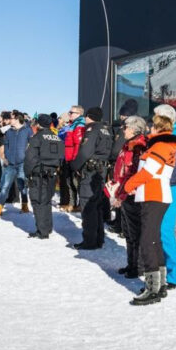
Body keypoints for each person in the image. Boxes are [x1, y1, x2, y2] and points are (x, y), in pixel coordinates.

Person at [123, 111, 176, 306]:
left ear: (158, 128)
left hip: (154, 196)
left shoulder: (161, 146)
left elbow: (148, 172)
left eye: (152, 126)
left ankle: (152, 288)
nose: (149, 128)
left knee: (147, 241)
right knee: (153, 240)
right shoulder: (161, 145)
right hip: (153, 195)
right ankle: (159, 284)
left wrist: (128, 185)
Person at [108, 115, 148, 279]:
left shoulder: (138, 147)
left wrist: (122, 194)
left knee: (135, 232)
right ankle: (131, 264)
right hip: (124, 192)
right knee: (128, 232)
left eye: (125, 127)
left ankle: (138, 267)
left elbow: (133, 173)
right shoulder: (129, 144)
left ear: (133, 129)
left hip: (131, 194)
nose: (123, 130)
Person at [71, 106, 112, 249]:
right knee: (97, 205)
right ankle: (98, 238)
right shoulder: (106, 130)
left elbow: (85, 152)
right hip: (101, 170)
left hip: (91, 171)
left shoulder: (92, 130)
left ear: (89, 116)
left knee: (88, 205)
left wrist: (75, 166)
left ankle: (89, 241)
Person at [158, 104, 176, 289]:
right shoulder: (164, 137)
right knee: (158, 230)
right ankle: (161, 270)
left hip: (171, 185)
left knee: (165, 230)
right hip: (161, 185)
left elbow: (174, 163)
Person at [23, 114, 64, 239]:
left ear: (39, 124)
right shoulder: (57, 137)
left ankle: (42, 231)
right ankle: (47, 227)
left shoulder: (37, 138)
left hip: (39, 174)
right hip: (52, 173)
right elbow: (61, 157)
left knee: (38, 201)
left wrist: (27, 173)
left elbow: (30, 158)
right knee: (46, 201)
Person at [0, 110, 32, 216]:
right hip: (10, 163)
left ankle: (24, 205)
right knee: (5, 186)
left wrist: (27, 157)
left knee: (22, 185)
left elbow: (31, 145)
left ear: (17, 119)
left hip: (22, 163)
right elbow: (6, 144)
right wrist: (5, 157)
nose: (10, 120)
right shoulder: (9, 131)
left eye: (12, 118)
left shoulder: (27, 130)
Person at [59, 105, 85, 213]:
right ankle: (72, 204)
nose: (69, 114)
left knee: (76, 183)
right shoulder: (72, 125)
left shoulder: (80, 125)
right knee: (69, 182)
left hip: (74, 159)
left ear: (79, 114)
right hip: (68, 157)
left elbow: (78, 145)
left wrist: (75, 161)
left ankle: (80, 204)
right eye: (69, 112)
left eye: (71, 112)